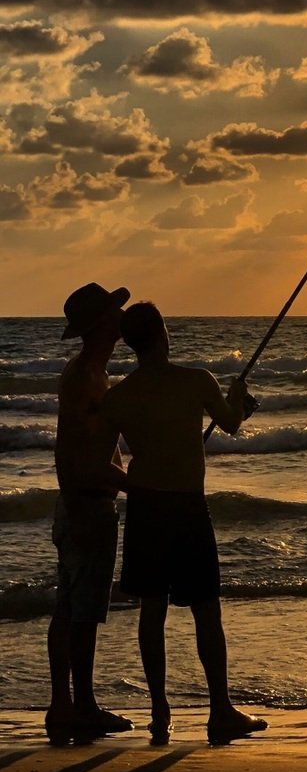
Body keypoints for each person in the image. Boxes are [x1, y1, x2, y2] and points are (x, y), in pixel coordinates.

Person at [99, 301, 267, 746]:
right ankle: (219, 711)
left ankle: (159, 710)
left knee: (151, 612)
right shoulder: (197, 381)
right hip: (188, 509)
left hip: (147, 510)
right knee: (205, 611)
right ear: (164, 335)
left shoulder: (118, 397)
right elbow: (231, 423)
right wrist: (240, 398)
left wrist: (137, 485)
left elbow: (101, 462)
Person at [47, 282, 134, 744]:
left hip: (80, 503)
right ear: (101, 324)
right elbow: (79, 458)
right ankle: (81, 706)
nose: (121, 319)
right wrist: (138, 486)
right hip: (87, 507)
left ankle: (65, 704)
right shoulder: (86, 377)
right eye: (114, 313)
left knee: (68, 609)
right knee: (82, 613)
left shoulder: (90, 373)